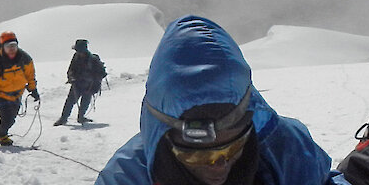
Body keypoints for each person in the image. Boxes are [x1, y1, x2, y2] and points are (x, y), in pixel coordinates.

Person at [95, 15, 345, 185]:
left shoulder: (286, 149)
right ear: (163, 135)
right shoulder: (127, 176)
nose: (219, 166)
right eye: (197, 156)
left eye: (234, 148)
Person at [0, 31, 40, 146]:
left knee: (12, 117)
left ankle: (3, 133)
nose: (12, 49)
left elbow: (30, 75)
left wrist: (33, 90)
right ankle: (2, 137)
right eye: (8, 47)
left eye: (14, 46)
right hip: (1, 94)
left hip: (17, 93)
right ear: (3, 47)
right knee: (7, 117)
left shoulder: (24, 58)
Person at [55, 38, 106, 126]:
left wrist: (93, 80)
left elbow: (101, 73)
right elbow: (71, 69)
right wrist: (71, 77)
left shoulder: (93, 59)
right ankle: (63, 118)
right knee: (70, 101)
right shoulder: (76, 57)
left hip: (89, 85)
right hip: (77, 83)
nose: (78, 52)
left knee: (85, 101)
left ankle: (81, 117)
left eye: (79, 50)